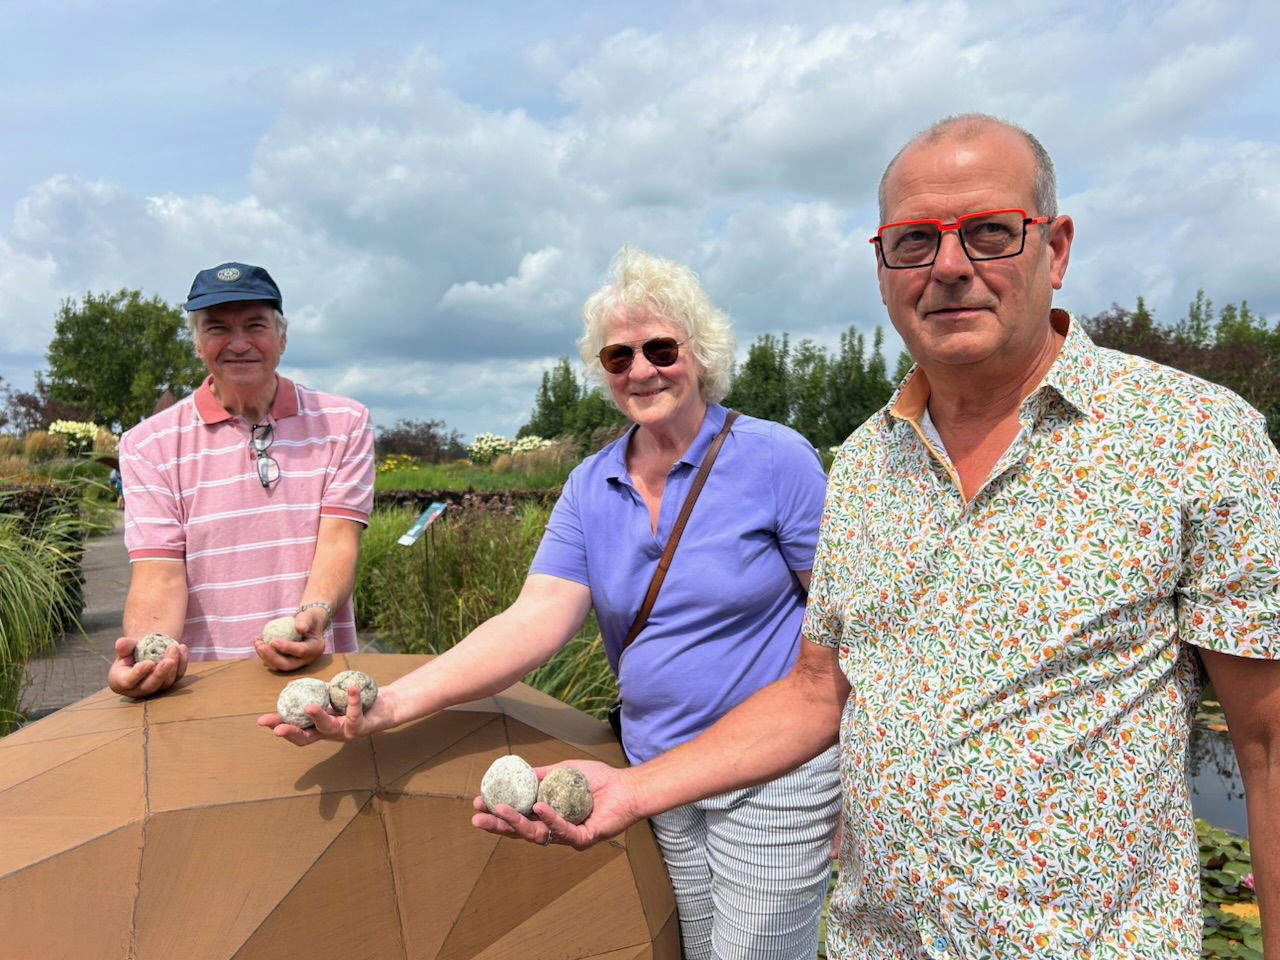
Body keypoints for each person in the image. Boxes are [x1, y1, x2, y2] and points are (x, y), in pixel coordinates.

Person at [473, 115, 1280, 959]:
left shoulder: (1193, 437)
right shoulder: (862, 465)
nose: (951, 267)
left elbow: (1264, 745)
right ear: (884, 269)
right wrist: (634, 791)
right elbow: (818, 690)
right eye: (914, 243)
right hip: (878, 941)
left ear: (1057, 247)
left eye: (991, 232)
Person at [262, 246, 841, 960]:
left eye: (660, 348)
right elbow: (532, 623)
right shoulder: (590, 484)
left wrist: (869, 774)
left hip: (768, 774)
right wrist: (390, 707)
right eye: (618, 356)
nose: (641, 369)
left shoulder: (776, 458)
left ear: (702, 354)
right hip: (655, 771)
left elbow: (844, 629)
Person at [108, 261, 374, 698]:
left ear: (282, 337)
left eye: (255, 325)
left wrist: (313, 616)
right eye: (217, 329)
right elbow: (159, 574)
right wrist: (144, 659)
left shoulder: (344, 423)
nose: (239, 344)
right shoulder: (147, 444)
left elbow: (338, 540)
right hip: (203, 686)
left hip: (319, 675)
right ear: (197, 342)